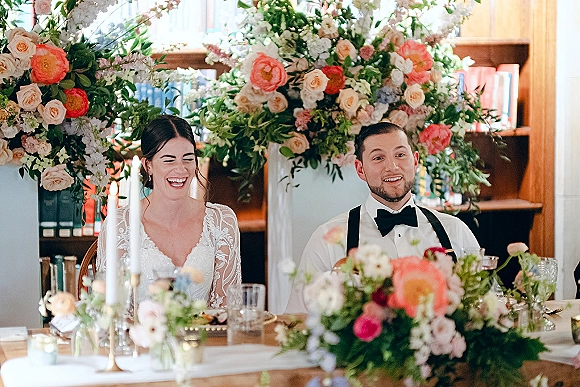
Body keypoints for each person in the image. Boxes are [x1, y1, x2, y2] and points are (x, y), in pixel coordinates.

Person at [285, 122, 479, 313]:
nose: (392, 167)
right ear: (360, 169)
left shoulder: (455, 231)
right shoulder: (328, 238)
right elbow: (297, 319)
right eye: (378, 158)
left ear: (415, 160)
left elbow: (485, 305)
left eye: (400, 155)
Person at [96, 115, 241, 308]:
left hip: (204, 336)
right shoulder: (120, 224)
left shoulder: (222, 221)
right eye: (169, 160)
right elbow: (112, 311)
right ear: (148, 166)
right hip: (140, 337)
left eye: (188, 159)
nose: (180, 170)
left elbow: (228, 308)